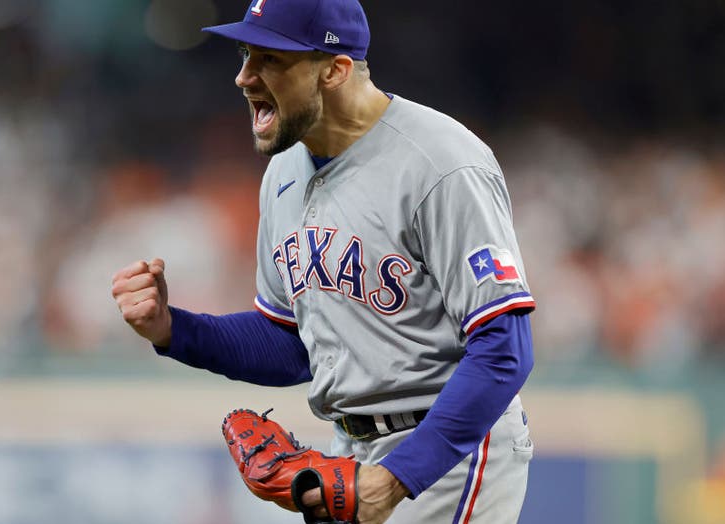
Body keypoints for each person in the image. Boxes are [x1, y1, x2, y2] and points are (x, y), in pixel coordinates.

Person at [111, 0, 536, 522]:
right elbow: (291, 342)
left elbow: (503, 350)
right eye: (246, 54)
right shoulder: (285, 170)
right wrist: (173, 329)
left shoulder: (441, 164)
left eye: (270, 59)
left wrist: (399, 476)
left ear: (335, 70)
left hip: (449, 454)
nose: (244, 77)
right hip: (350, 452)